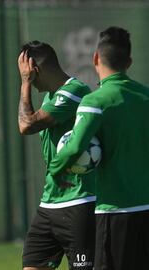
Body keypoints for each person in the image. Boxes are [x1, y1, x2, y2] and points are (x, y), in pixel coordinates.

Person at [49, 26, 149, 270]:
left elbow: (74, 150)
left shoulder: (95, 101)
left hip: (114, 213)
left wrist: (57, 170)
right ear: (129, 61)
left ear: (95, 58)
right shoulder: (145, 97)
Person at [18, 41, 96, 270]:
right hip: (50, 202)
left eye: (24, 72)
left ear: (35, 70)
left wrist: (24, 84)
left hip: (79, 201)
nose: (24, 78)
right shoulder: (49, 97)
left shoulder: (75, 91)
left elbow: (25, 125)